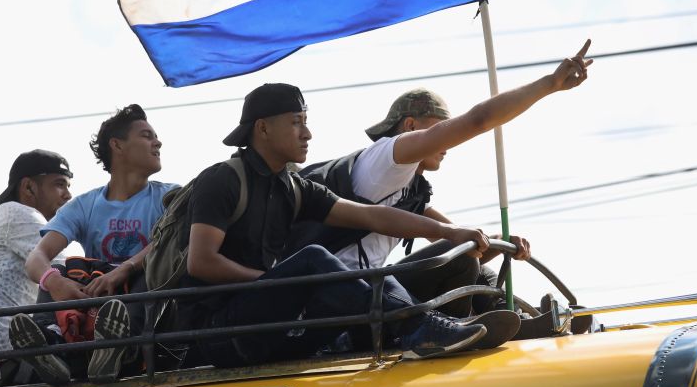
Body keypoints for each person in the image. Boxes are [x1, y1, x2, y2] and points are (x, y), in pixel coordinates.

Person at [179, 83, 493, 369]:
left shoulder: (294, 188)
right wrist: (276, 282)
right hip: (222, 334)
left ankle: (427, 325)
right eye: (295, 122)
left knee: (376, 276)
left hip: (274, 326)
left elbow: (372, 216)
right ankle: (416, 328)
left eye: (305, 121)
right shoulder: (222, 179)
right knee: (314, 259)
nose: (307, 133)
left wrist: (448, 232)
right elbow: (202, 262)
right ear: (262, 128)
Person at [288, 40, 592, 327]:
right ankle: (469, 331)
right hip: (341, 299)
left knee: (475, 265)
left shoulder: (411, 192)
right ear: (410, 126)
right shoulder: (389, 155)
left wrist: (502, 241)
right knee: (458, 258)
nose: (447, 143)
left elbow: (468, 250)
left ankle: (517, 322)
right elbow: (478, 120)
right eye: (440, 129)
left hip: (370, 291)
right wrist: (549, 85)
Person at [15, 104, 177, 384]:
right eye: (147, 135)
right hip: (100, 304)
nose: (157, 142)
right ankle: (52, 348)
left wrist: (124, 268)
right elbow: (36, 258)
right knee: (57, 268)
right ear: (118, 145)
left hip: (143, 303)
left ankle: (120, 347)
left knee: (151, 271)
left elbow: (171, 241)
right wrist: (55, 283)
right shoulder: (85, 205)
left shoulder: (170, 197)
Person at [0, 150, 73, 387]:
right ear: (29, 188)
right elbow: (67, 269)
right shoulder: (19, 213)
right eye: (59, 184)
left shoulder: (7, 215)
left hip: (4, 361)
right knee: (67, 275)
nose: (68, 195)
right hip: (16, 358)